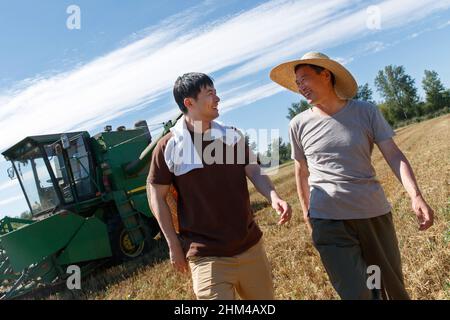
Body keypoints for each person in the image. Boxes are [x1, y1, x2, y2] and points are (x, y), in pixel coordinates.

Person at [270, 52, 434, 300]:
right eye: (297, 83)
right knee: (356, 292)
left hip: (372, 214)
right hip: (328, 220)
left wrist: (416, 195)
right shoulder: (298, 124)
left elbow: (393, 155)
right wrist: (307, 214)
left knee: (388, 288)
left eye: (304, 78)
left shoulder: (365, 112)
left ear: (325, 75)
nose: (300, 86)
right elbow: (301, 171)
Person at [147, 72, 292, 300]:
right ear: (189, 103)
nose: (217, 98)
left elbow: (253, 168)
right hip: (206, 256)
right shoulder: (169, 147)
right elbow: (156, 195)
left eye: (216, 92)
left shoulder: (231, 135)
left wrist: (273, 196)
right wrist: (173, 244)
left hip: (250, 248)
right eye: (210, 94)